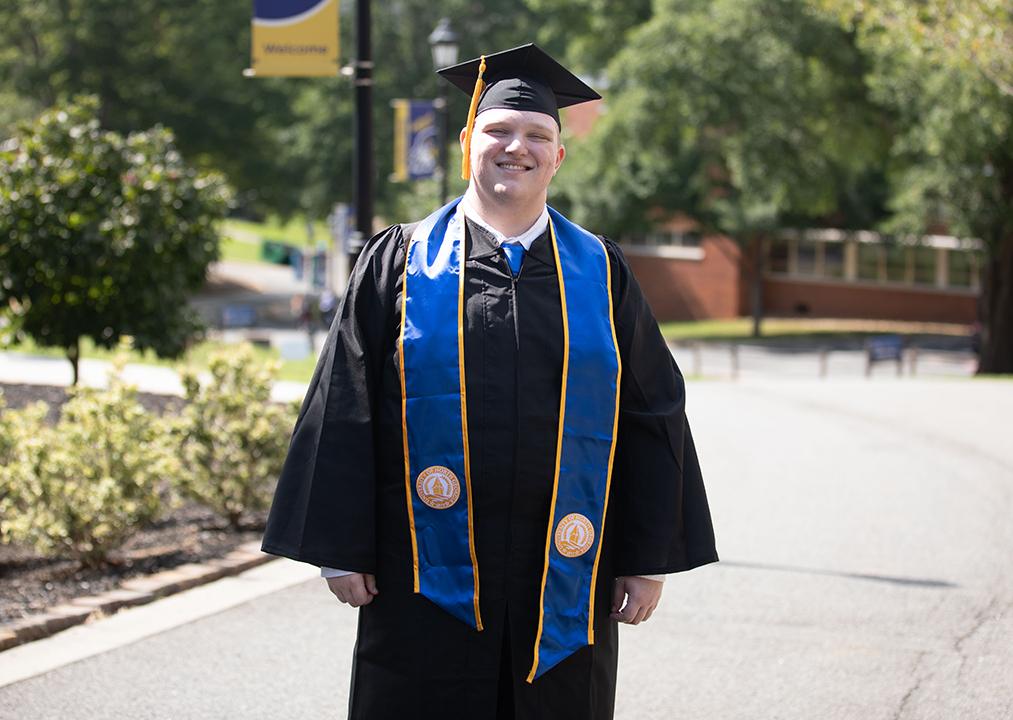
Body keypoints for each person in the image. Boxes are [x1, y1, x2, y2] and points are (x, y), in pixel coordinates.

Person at [262, 43, 717, 720]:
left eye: (539, 135)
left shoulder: (599, 271)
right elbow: (345, 395)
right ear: (467, 141)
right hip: (418, 570)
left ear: (559, 157)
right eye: (500, 131)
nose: (518, 148)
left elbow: (654, 411)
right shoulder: (402, 259)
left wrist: (647, 556)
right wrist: (338, 547)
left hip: (564, 571)